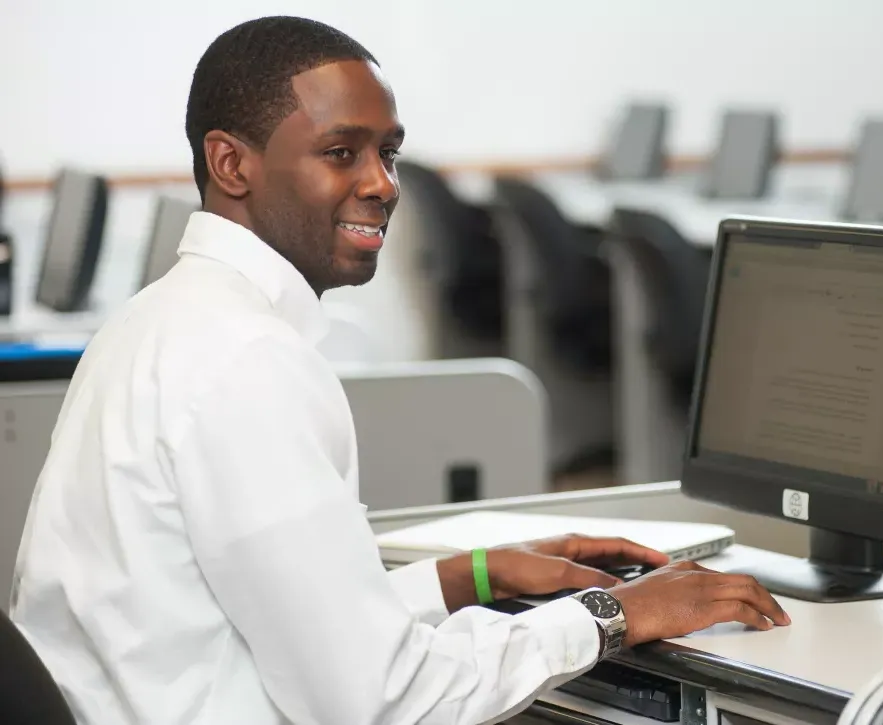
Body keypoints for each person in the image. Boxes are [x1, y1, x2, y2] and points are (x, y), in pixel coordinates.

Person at [10, 15, 789, 725]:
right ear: (231, 164)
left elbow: (280, 619)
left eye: (388, 153)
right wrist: (611, 615)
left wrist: (471, 577)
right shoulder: (246, 363)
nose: (383, 183)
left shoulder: (159, 320)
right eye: (340, 152)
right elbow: (382, 699)